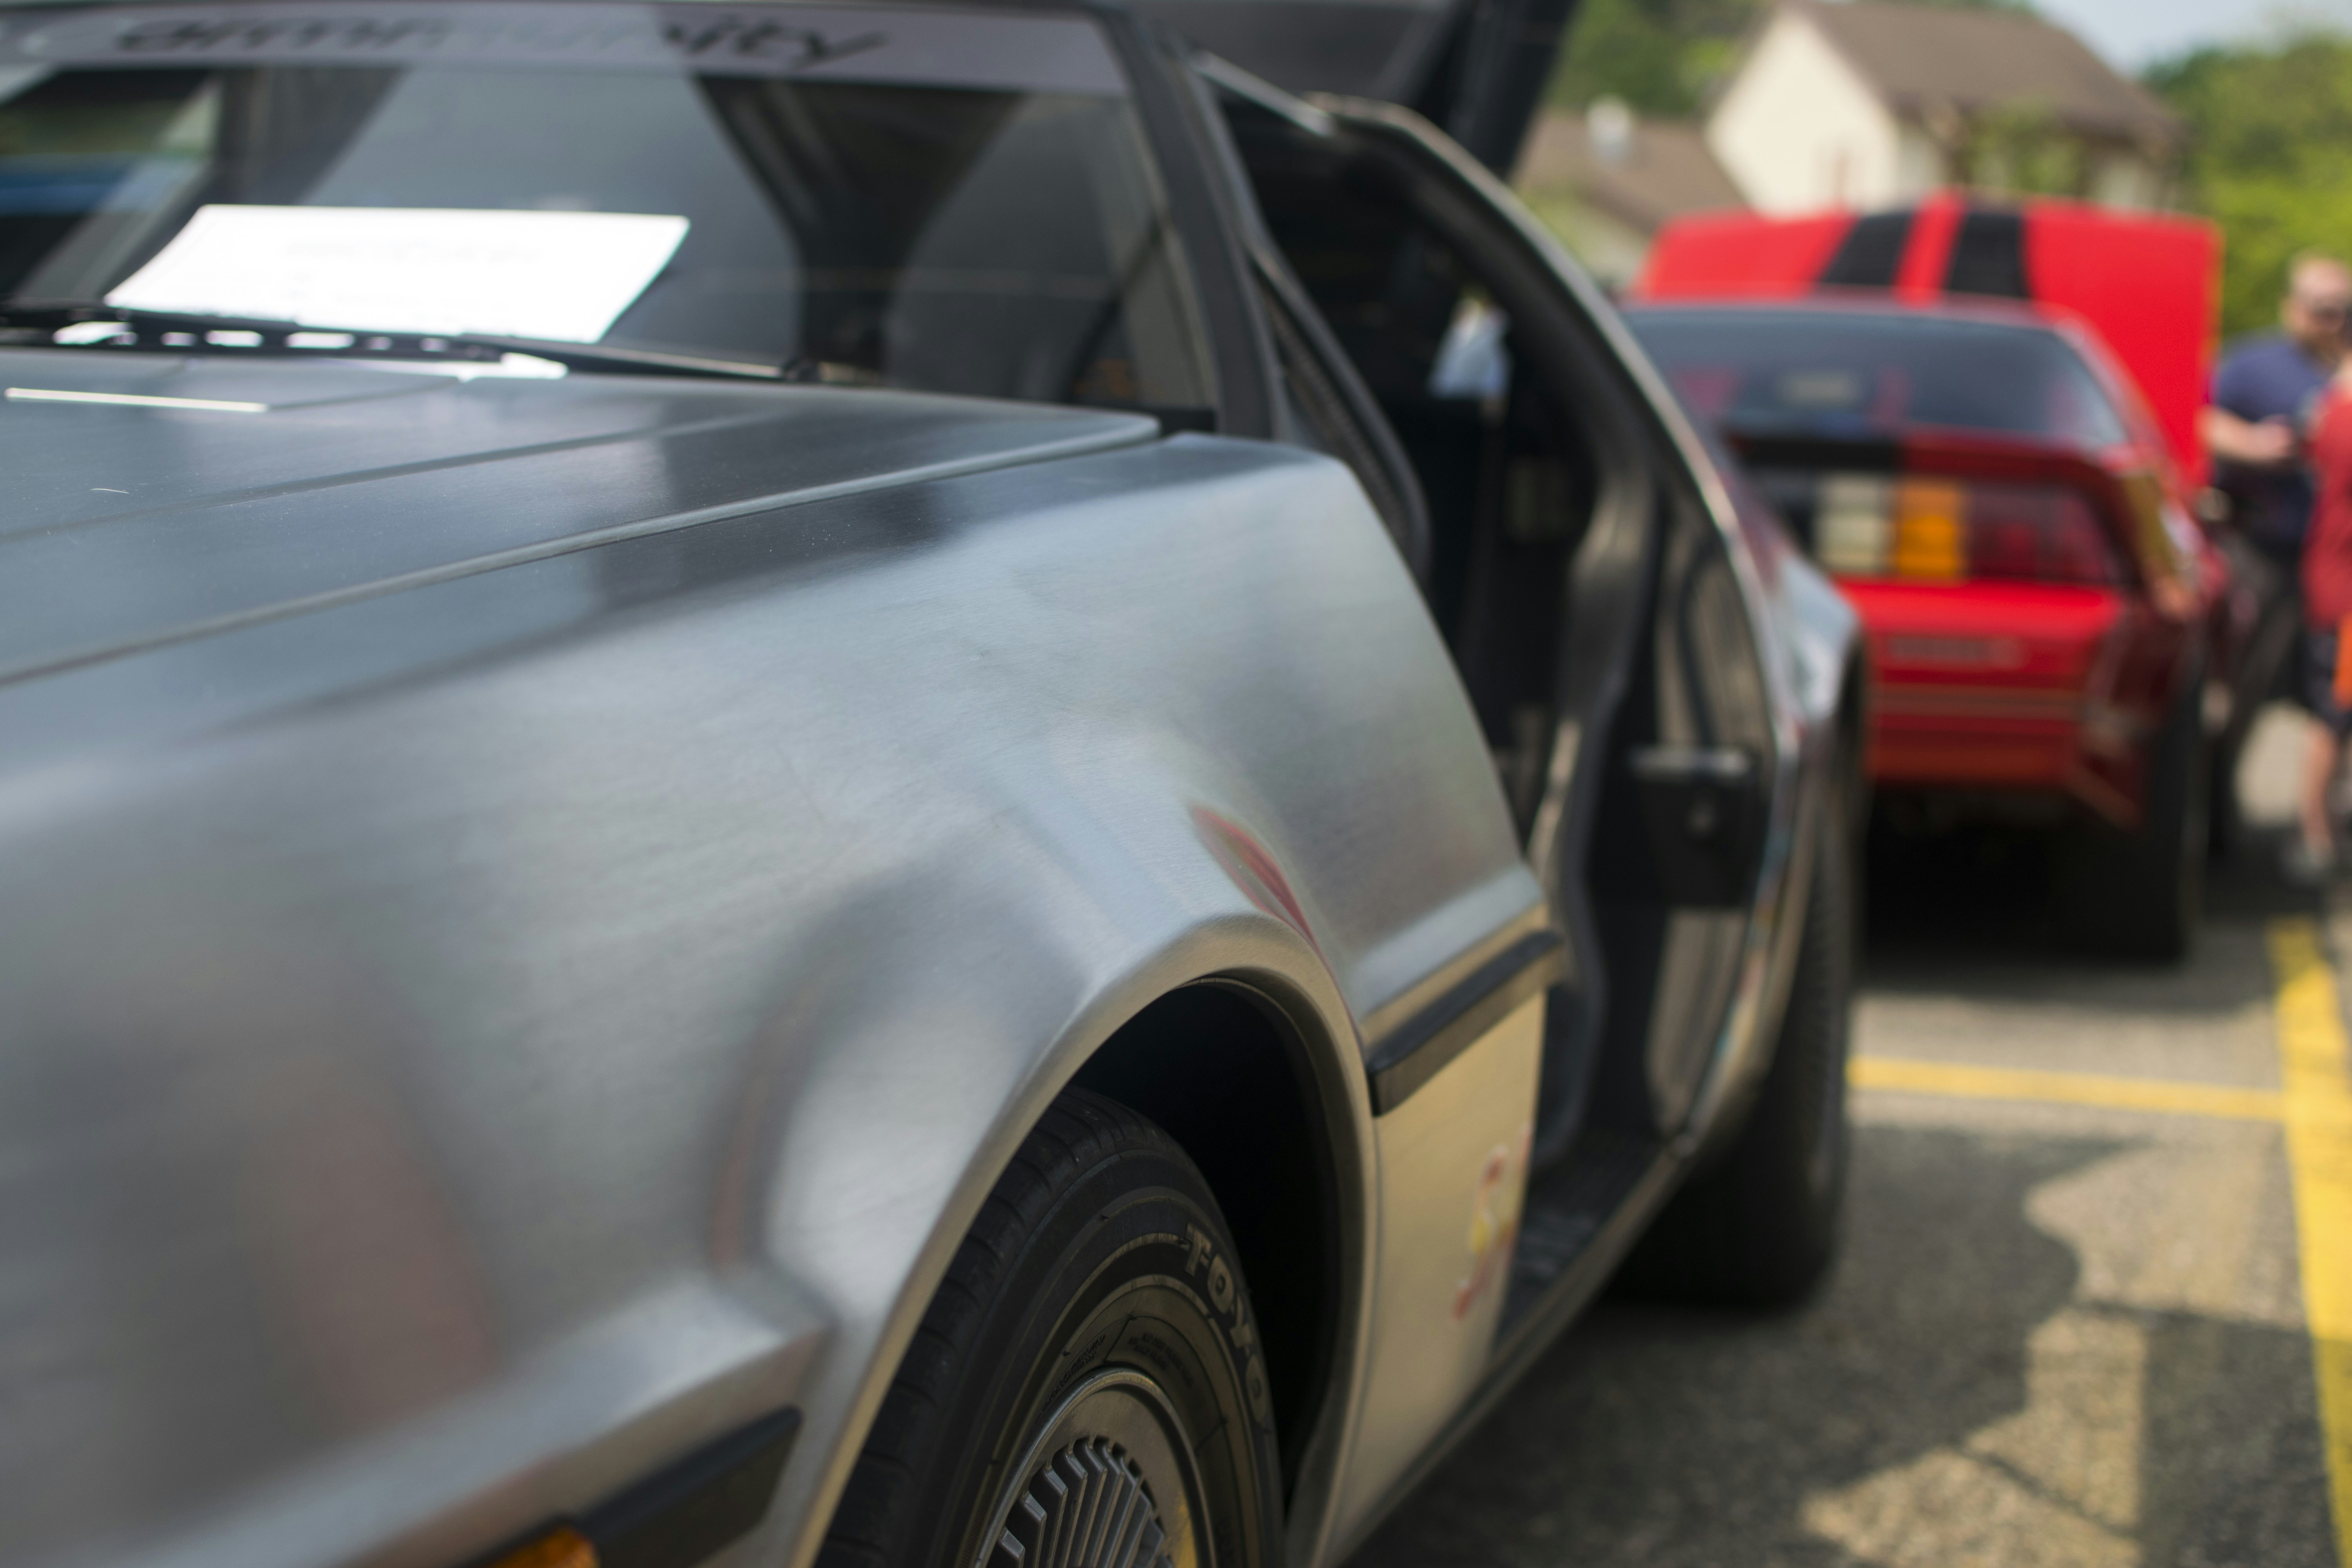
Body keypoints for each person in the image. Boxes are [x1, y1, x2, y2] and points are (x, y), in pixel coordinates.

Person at [2202, 252, 2352, 577]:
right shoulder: (2252, 364)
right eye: (2321, 309)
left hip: (2336, 553)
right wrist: (2252, 443)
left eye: (2341, 309)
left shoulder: (2345, 368)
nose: (2333, 320)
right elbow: (2198, 419)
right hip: (2263, 545)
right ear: (2292, 306)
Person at [2296, 360, 2352, 877]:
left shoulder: (2328, 410)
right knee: (2335, 717)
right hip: (2345, 597)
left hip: (2334, 588)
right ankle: (2315, 837)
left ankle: (2325, 831)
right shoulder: (2345, 416)